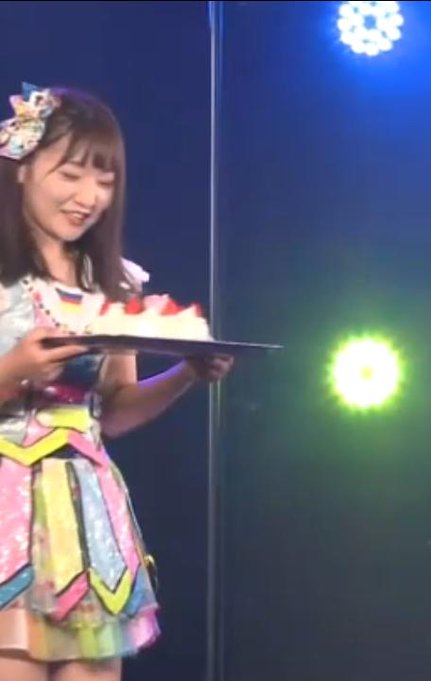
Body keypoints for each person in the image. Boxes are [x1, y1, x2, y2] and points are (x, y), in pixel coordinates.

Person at [0, 83, 233, 681]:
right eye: (70, 175)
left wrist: (186, 373)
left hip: (88, 517)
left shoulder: (112, 282)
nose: (88, 197)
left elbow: (116, 413)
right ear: (22, 168)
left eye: (104, 181)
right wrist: (13, 373)